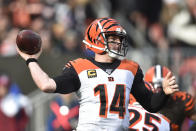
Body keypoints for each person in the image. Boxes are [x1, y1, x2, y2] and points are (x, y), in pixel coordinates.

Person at [16, 17, 179, 131]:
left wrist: (164, 92)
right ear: (96, 39)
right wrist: (31, 60)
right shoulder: (79, 67)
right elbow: (47, 85)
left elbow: (150, 104)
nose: (118, 42)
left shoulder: (131, 68)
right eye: (113, 39)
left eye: (119, 39)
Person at [144, 65, 196, 131]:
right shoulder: (139, 103)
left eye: (163, 88)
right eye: (155, 87)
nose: (159, 91)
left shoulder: (182, 100)